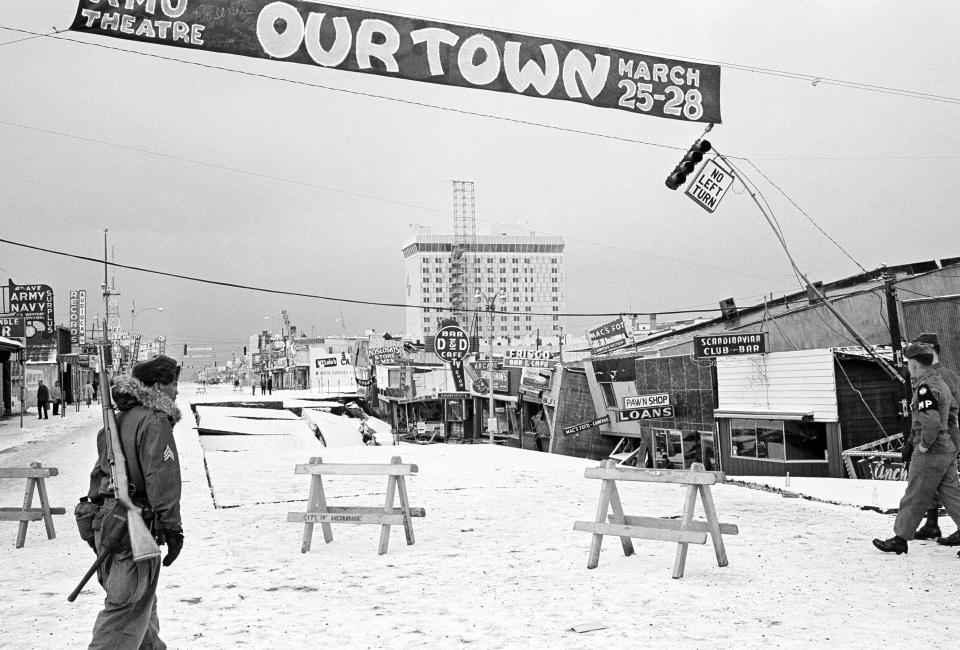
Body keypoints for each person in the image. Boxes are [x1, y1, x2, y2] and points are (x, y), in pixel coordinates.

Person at [87, 355, 183, 648]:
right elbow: (162, 480)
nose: (177, 391)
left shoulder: (118, 420)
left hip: (111, 527)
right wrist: (172, 528)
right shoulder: (154, 421)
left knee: (141, 612)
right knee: (123, 619)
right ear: (157, 386)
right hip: (133, 531)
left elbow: (98, 478)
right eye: (173, 384)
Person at [873, 343, 960, 555]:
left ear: (913, 364)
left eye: (908, 364)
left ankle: (900, 539)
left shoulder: (925, 387)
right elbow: (951, 417)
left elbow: (929, 421)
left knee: (915, 493)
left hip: (932, 450)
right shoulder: (940, 382)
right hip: (947, 447)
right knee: (952, 494)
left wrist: (923, 444)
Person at [906, 333, 960, 545]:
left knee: (939, 482)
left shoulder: (937, 377)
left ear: (930, 349)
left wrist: (922, 442)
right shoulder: (941, 375)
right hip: (942, 435)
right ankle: (931, 523)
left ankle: (931, 523)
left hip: (942, 437)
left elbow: (943, 413)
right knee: (943, 482)